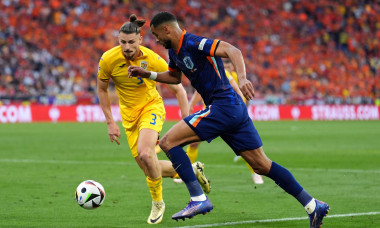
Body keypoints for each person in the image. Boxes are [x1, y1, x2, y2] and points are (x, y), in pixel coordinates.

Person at [128, 11, 329, 228]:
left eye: (157, 34)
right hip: (233, 110)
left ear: (167, 29)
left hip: (223, 106)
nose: (156, 40)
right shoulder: (175, 54)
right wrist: (147, 74)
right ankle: (312, 205)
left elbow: (233, 50)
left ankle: (198, 198)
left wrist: (242, 78)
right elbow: (175, 77)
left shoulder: (194, 42)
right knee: (262, 165)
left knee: (168, 142)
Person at [96, 14, 210, 225]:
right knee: (149, 165)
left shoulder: (153, 59)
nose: (127, 46)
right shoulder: (108, 60)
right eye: (122, 42)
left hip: (151, 108)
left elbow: (179, 89)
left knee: (146, 154)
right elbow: (102, 89)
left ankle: (158, 203)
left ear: (140, 39)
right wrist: (110, 122)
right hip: (129, 118)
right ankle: (191, 169)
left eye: (131, 42)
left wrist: (186, 119)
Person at [224, 59, 264, 185]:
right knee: (194, 143)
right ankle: (181, 174)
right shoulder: (219, 74)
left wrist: (242, 109)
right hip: (218, 112)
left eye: (228, 65)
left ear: (232, 67)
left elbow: (243, 93)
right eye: (224, 65)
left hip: (234, 112)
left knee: (244, 145)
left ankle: (256, 174)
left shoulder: (235, 77)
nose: (226, 67)